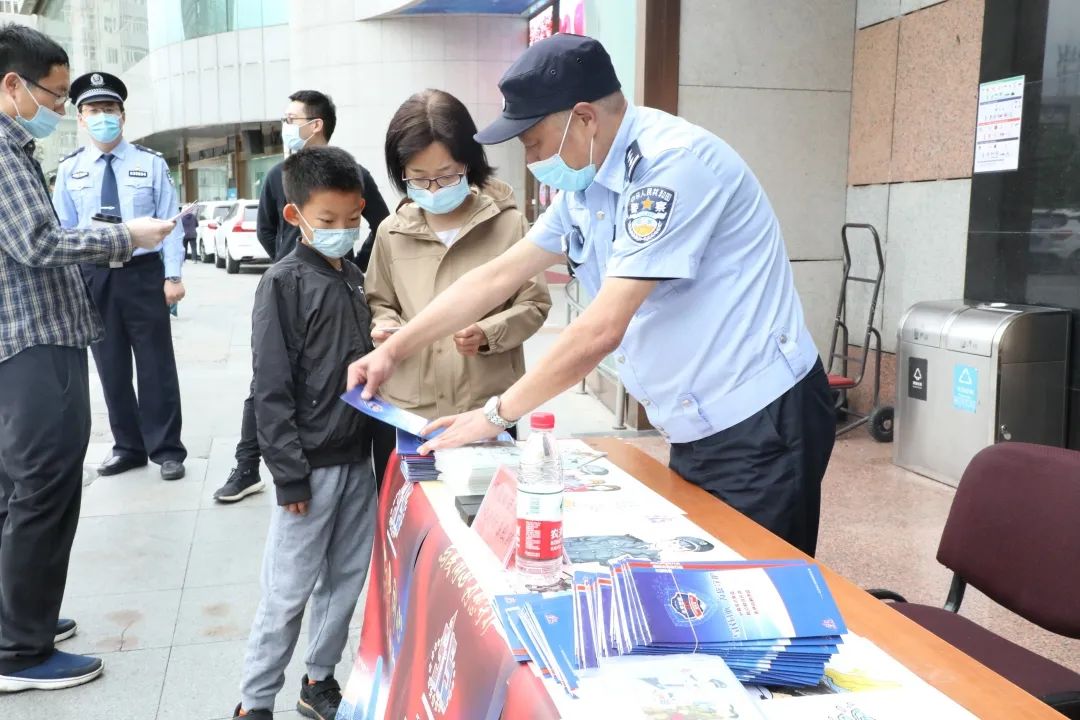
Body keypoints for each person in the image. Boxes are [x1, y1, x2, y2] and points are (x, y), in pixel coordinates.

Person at [347, 34, 836, 557]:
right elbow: (493, 278)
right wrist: (393, 351)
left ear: (583, 118)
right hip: (700, 426)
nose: (530, 157)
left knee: (762, 592)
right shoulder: (588, 187)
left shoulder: (670, 167)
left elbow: (601, 329)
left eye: (533, 141)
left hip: (761, 420)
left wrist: (494, 414)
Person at [0, 23, 175, 692]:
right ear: (12, 84)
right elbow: (38, 242)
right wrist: (122, 235)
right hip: (32, 342)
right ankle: (22, 651)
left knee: (13, 491)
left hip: (22, 339)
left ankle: (19, 617)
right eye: (56, 93)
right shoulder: (3, 149)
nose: (62, 106)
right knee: (43, 487)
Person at [232, 145, 377, 720]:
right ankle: (255, 700)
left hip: (357, 460)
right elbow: (269, 388)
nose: (341, 231)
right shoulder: (283, 282)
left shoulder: (356, 275)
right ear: (294, 216)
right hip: (308, 469)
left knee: (345, 581)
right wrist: (288, 474)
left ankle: (319, 680)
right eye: (327, 222)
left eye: (351, 221)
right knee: (287, 592)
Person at [213, 89, 390, 504]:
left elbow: (382, 222)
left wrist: (357, 264)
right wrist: (285, 263)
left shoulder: (355, 174)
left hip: (336, 286)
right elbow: (267, 227)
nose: (286, 126)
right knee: (271, 381)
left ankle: (337, 449)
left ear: (317, 125)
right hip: (295, 287)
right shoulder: (279, 176)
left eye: (292, 119)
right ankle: (248, 463)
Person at [365, 89, 551, 484]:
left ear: (469, 163)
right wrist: (385, 325)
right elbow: (380, 300)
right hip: (410, 409)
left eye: (446, 175)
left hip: (485, 409)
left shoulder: (508, 224)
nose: (433, 188)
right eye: (418, 178)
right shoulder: (391, 231)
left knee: (482, 516)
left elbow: (534, 304)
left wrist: (489, 333)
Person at [53, 70, 188, 482]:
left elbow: (171, 223)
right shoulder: (69, 170)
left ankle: (166, 450)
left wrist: (173, 276)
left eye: (109, 109)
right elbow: (63, 231)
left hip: (143, 274)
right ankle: (127, 447)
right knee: (110, 367)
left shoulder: (150, 164)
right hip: (95, 278)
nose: (102, 117)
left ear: (123, 116)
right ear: (80, 119)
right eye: (93, 110)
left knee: (155, 366)